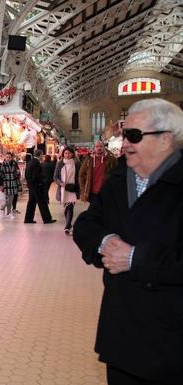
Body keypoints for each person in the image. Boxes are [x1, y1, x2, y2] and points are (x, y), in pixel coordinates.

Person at [73, 98, 183, 385]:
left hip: (171, 343)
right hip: (122, 336)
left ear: (165, 140)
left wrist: (136, 259)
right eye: (124, 135)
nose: (124, 143)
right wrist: (104, 242)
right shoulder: (120, 178)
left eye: (133, 136)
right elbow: (86, 224)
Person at [23, 149, 56, 224]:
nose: (43, 156)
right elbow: (36, 175)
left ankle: (28, 219)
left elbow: (27, 175)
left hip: (31, 185)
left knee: (31, 202)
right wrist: (41, 182)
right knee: (42, 202)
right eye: (42, 155)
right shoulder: (36, 163)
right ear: (40, 155)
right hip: (37, 185)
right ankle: (47, 219)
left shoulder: (30, 162)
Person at [54, 147, 81, 235]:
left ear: (73, 154)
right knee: (66, 207)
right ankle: (69, 225)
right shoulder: (60, 163)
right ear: (63, 154)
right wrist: (60, 183)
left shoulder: (77, 164)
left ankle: (67, 225)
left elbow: (80, 176)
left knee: (70, 207)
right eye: (65, 153)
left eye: (69, 153)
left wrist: (79, 186)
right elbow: (55, 177)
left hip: (73, 188)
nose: (67, 155)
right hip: (63, 189)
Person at [0, 152, 20, 218]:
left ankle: (9, 213)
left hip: (13, 184)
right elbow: (0, 176)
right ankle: (1, 209)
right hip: (6, 184)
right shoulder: (2, 165)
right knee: (7, 200)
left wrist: (17, 174)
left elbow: (17, 173)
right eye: (7, 157)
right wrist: (1, 185)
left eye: (9, 157)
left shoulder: (14, 164)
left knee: (11, 199)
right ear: (5, 157)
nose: (8, 158)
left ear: (11, 158)